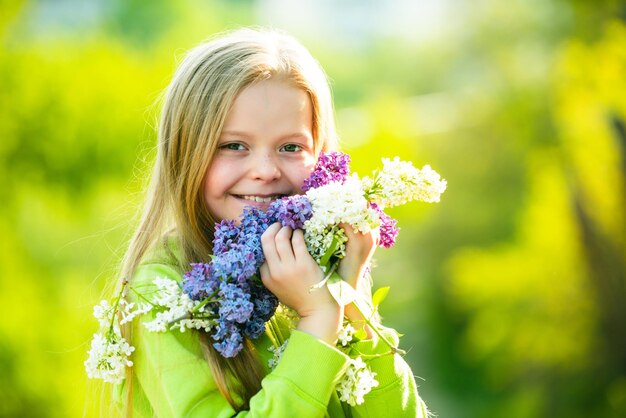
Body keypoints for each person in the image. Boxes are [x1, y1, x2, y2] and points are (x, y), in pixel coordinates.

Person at [115, 27, 429, 417]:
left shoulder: (320, 264)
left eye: (290, 147)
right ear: (185, 152)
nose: (265, 170)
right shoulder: (161, 290)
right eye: (233, 146)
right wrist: (316, 322)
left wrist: (350, 303)